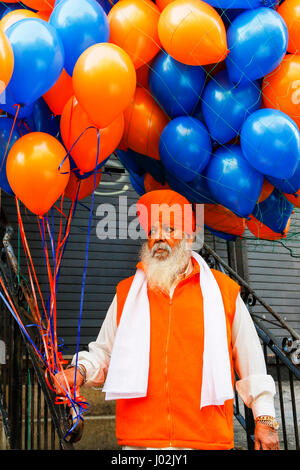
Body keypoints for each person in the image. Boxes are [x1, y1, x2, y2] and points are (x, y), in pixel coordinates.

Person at [54, 189, 279, 451]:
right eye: (152, 231)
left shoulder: (223, 291)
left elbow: (251, 361)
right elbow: (103, 353)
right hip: (141, 441)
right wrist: (80, 370)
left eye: (170, 228)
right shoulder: (127, 292)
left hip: (205, 440)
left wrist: (265, 418)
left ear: (188, 237)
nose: (159, 237)